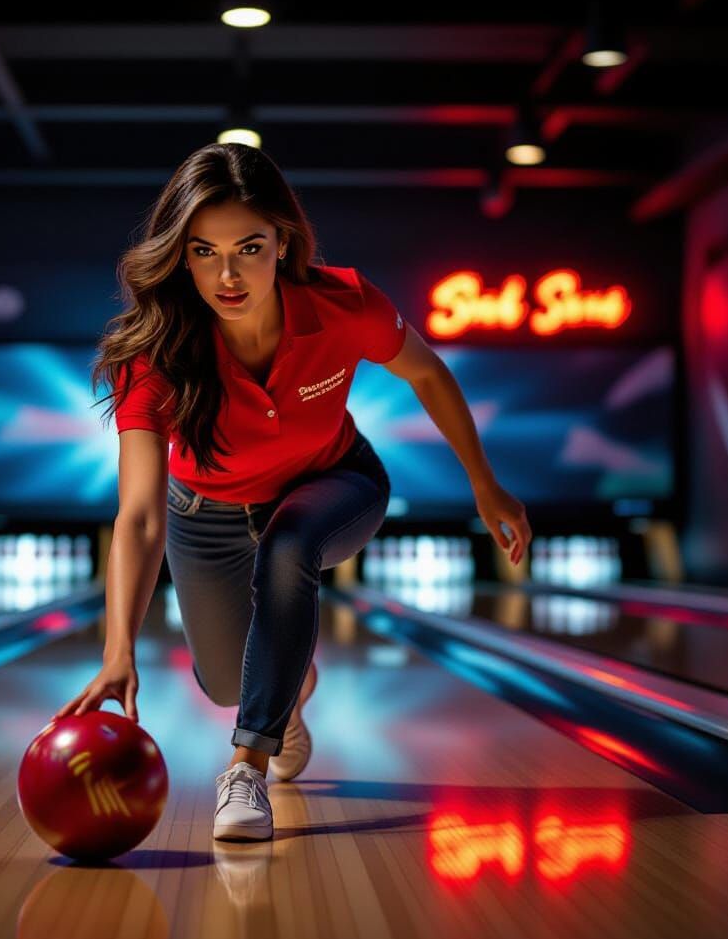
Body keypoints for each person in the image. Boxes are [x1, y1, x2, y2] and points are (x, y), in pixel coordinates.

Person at [54, 142, 532, 842]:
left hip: (335, 484)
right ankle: (290, 691)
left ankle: (245, 770)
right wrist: (116, 651)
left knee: (290, 544)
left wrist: (484, 485)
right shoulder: (154, 355)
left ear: (283, 240)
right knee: (226, 686)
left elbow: (427, 374)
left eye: (248, 247)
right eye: (202, 251)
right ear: (180, 256)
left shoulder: (342, 303)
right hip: (204, 515)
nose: (227, 274)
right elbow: (140, 517)